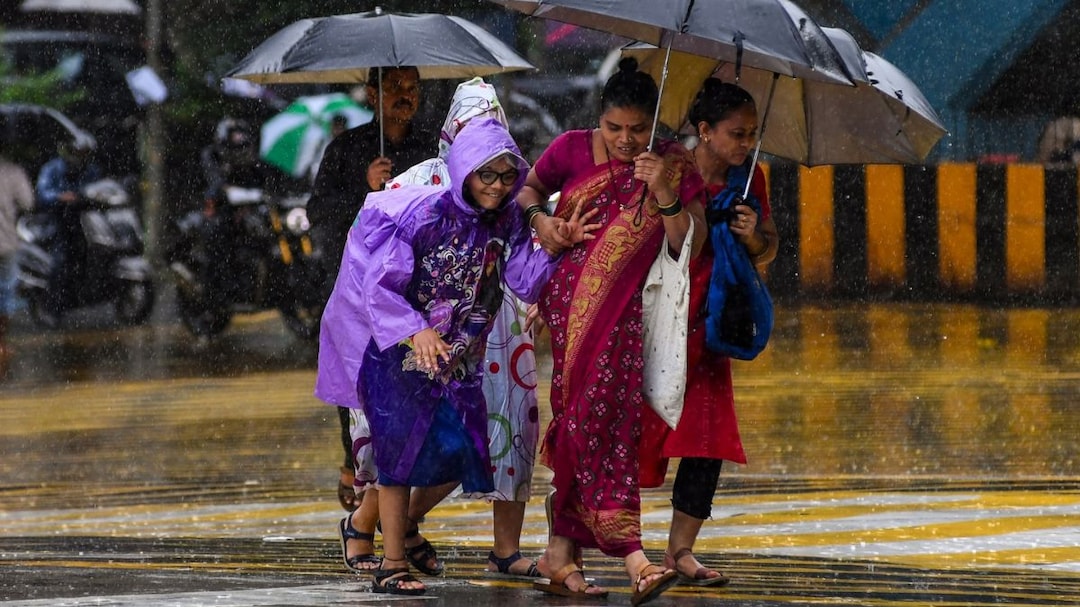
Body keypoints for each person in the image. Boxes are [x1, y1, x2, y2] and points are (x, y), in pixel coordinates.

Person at [315, 117, 594, 595]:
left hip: (458, 354)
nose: (498, 185)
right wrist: (416, 331)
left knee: (463, 450)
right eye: (487, 174)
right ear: (463, 169)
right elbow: (381, 288)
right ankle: (393, 564)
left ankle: (387, 529)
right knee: (398, 456)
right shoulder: (423, 215)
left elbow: (524, 280)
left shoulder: (507, 219)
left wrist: (556, 246)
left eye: (508, 176)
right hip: (399, 353)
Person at [515, 57, 708, 605]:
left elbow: (685, 242)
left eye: (638, 129)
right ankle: (634, 559)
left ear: (654, 125)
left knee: (598, 420)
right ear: (598, 121)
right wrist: (544, 223)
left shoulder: (671, 162)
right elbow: (528, 191)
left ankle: (560, 552)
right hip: (568, 306)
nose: (626, 141)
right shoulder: (570, 149)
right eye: (614, 129)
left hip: (628, 313)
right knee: (588, 416)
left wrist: (663, 190)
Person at [385, 77, 547, 580]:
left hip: (499, 329)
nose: (492, 179)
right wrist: (415, 327)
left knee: (511, 430)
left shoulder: (512, 195)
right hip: (421, 338)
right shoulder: (412, 187)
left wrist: (552, 255)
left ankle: (504, 548)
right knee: (411, 439)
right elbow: (377, 275)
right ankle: (388, 538)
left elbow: (527, 268)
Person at [638, 79, 780, 587]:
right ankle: (607, 535)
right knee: (637, 425)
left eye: (751, 134)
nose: (745, 143)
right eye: (736, 134)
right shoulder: (669, 165)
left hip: (714, 315)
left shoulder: (749, 178)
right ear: (704, 131)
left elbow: (768, 249)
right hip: (662, 308)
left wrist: (752, 235)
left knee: (705, 436)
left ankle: (681, 549)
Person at [306, 66, 436, 513]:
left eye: (412, 89)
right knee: (358, 379)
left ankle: (398, 492)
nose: (405, 96)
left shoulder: (431, 147)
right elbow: (318, 211)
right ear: (371, 94)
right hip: (357, 286)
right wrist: (365, 192)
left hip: (415, 290)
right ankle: (355, 465)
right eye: (394, 88)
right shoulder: (346, 149)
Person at [35, 138, 102, 321]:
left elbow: (99, 190)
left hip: (86, 223)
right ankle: (52, 309)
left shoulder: (91, 170)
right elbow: (42, 193)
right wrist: (60, 197)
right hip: (59, 221)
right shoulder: (53, 168)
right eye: (79, 152)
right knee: (61, 261)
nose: (81, 156)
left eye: (85, 153)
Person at [0, 153, 34, 371]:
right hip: (5, 242)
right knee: (5, 294)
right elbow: (28, 202)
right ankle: (1, 344)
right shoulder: (12, 171)